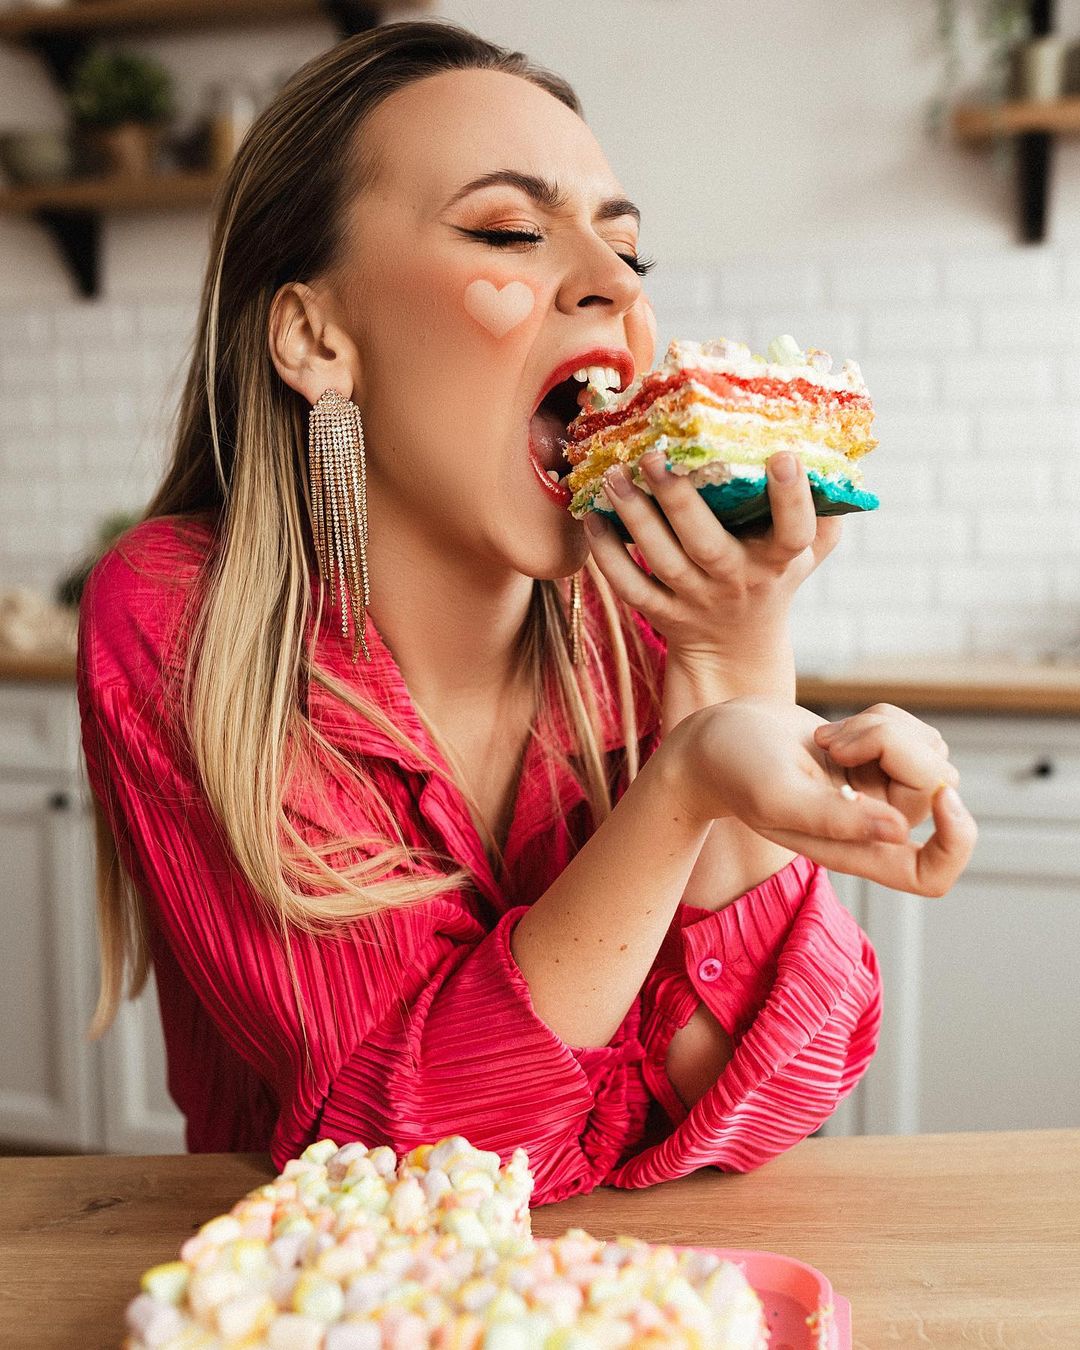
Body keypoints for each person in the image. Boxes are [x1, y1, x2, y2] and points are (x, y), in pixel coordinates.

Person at [76, 20, 976, 1205]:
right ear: (314, 335)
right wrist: (685, 787)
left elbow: (765, 1102)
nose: (612, 286)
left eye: (629, 253)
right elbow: (417, 1159)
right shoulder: (184, 623)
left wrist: (735, 658)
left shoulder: (641, 621)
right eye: (509, 231)